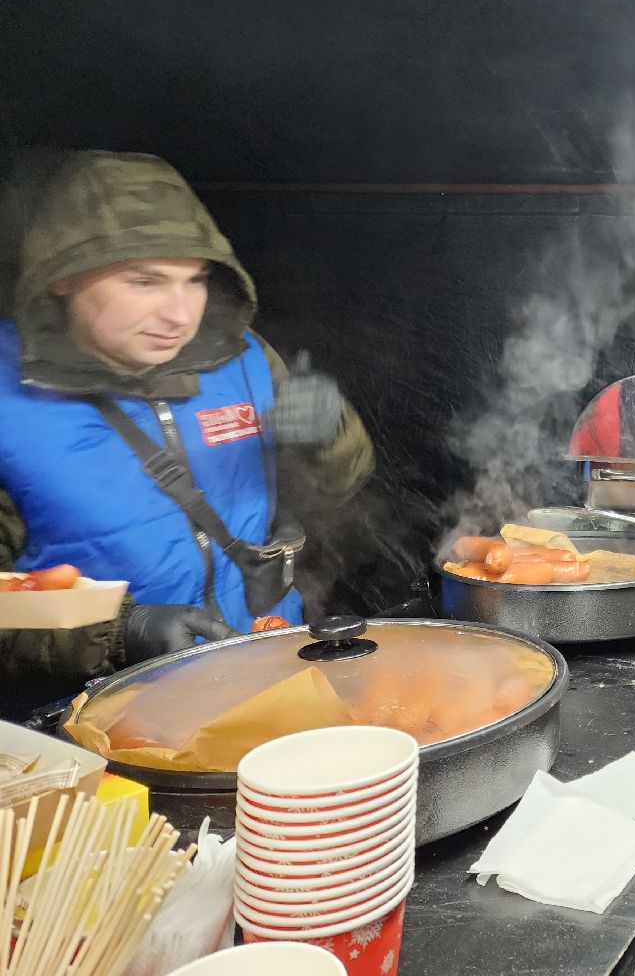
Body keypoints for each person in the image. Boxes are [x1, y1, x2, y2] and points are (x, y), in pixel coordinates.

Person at [0, 150, 374, 716]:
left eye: (194, 280)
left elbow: (334, 487)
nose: (180, 313)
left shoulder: (243, 355)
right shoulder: (10, 400)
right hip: (94, 724)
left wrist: (329, 435)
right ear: (63, 277)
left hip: (271, 670)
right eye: (145, 280)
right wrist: (117, 633)